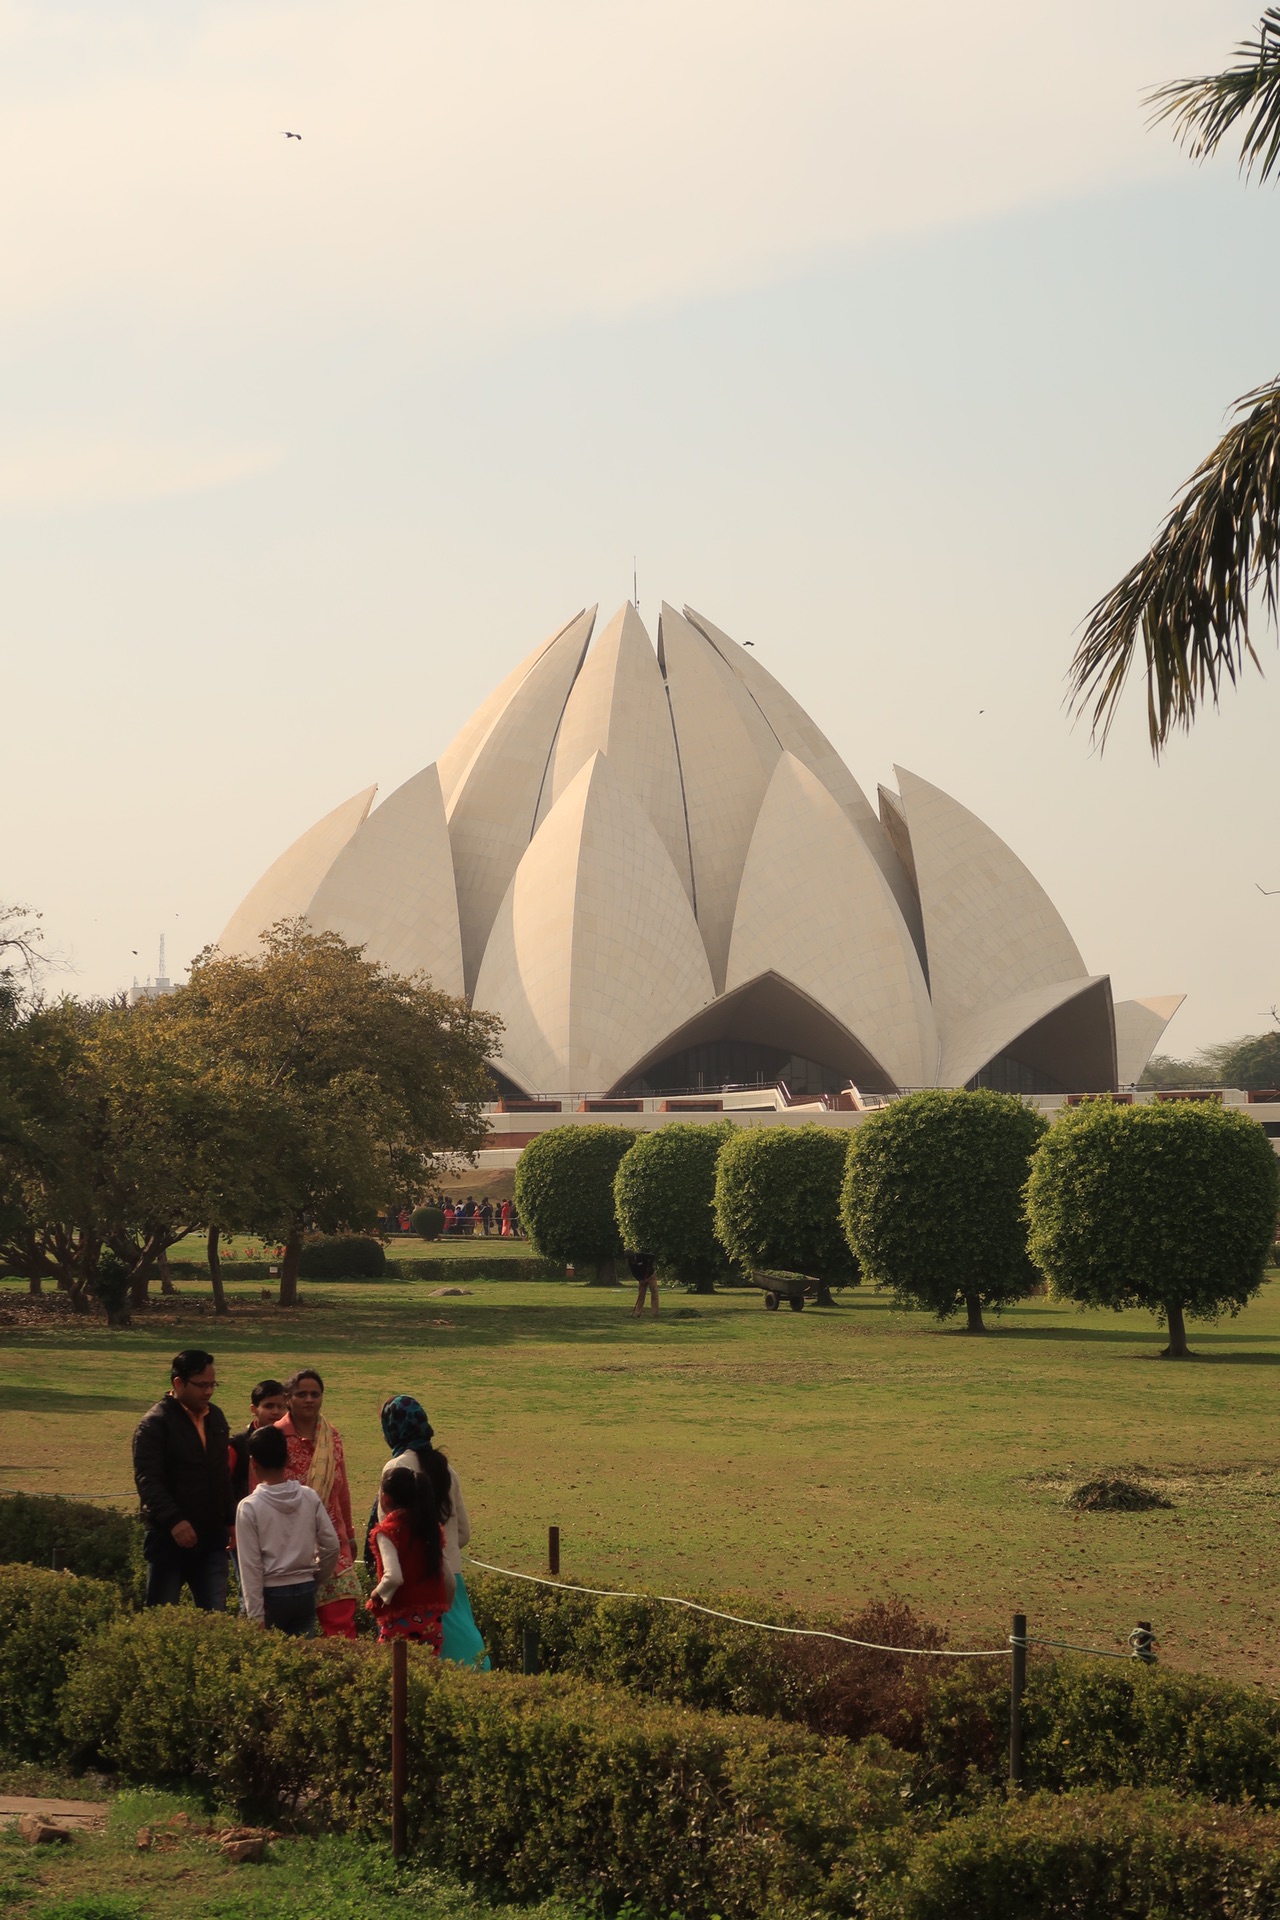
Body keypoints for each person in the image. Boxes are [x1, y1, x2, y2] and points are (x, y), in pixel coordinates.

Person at [376, 1393, 488, 1667]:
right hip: (451, 1575)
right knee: (466, 1653)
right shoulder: (446, 1468)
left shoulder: (396, 1468)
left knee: (411, 1665)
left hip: (412, 1584)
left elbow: (388, 1531)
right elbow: (463, 1534)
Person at [261, 1367, 360, 1639]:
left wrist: (350, 1535)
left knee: (341, 1628)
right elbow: (258, 1490)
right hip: (289, 1548)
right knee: (292, 1636)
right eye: (301, 1394)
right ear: (288, 1398)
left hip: (333, 1545)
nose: (309, 1400)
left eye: (315, 1394)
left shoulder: (332, 1436)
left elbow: (341, 1489)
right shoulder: (275, 1437)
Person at [132, 1348, 232, 1611]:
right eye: (202, 1385)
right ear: (178, 1383)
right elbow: (148, 1480)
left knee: (216, 1623)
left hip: (211, 1538)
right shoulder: (154, 1424)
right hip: (168, 1538)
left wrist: (231, 1521)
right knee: (161, 1620)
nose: (209, 1391)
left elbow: (222, 1474)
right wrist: (175, 1521)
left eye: (213, 1385)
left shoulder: (216, 1417)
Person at [235, 1424, 340, 1635]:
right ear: (287, 1459)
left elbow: (251, 1567)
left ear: (253, 1463)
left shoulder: (249, 1507)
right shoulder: (308, 1496)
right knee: (303, 1660)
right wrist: (315, 1576)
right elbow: (332, 1546)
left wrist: (255, 1616)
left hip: (271, 1592)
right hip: (305, 1590)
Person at [367, 1464, 455, 1647]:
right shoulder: (431, 1529)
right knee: (429, 1673)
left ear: (385, 1498)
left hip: (400, 1622)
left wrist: (375, 1595)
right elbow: (450, 1581)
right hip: (433, 1624)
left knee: (391, 1672)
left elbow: (393, 1577)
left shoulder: (387, 1532)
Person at [228, 1378, 288, 1515]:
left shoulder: (290, 1440)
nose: (276, 1412)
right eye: (269, 1406)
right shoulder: (238, 1444)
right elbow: (225, 1487)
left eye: (281, 1407)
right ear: (253, 1409)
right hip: (247, 1514)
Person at [628, 1249, 659, 1318]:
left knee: (654, 1293)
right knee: (641, 1296)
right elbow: (634, 1273)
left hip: (650, 1276)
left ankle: (655, 1313)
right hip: (642, 1279)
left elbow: (653, 1256)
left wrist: (649, 1266)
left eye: (632, 1257)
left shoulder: (641, 1255)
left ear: (634, 1255)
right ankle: (637, 1313)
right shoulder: (630, 1262)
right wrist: (640, 1280)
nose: (631, 1260)